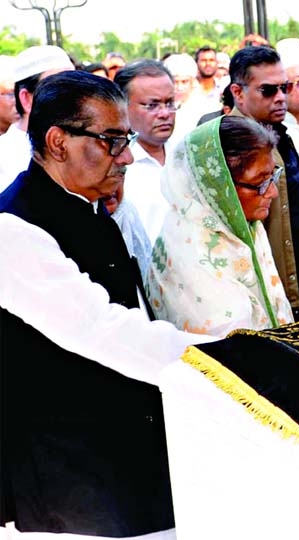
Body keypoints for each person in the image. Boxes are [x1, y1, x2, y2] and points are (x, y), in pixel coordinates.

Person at [0, 70, 210, 539]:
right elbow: (101, 329)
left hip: (124, 453)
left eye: (126, 139)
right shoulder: (12, 229)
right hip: (71, 479)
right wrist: (221, 357)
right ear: (58, 141)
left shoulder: (89, 205)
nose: (128, 156)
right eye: (112, 141)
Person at [147, 116, 293, 335]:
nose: (272, 192)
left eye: (273, 176)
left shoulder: (238, 222)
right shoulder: (193, 251)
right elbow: (230, 344)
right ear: (217, 185)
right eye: (260, 183)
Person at [228, 45, 299, 321]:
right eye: (268, 90)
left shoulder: (282, 133)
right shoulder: (231, 144)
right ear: (238, 92)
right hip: (267, 291)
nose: (281, 97)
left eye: (284, 88)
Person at [113, 60, 176, 245]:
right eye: (152, 105)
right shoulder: (115, 164)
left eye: (170, 102)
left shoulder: (188, 153)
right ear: (123, 107)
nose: (165, 113)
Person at [0, 45, 73, 190]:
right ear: (26, 98)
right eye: (59, 88)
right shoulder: (4, 155)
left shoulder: (87, 144)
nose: (72, 97)